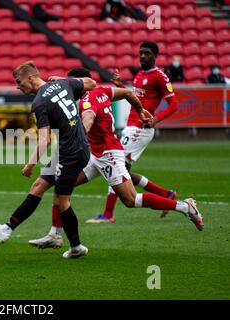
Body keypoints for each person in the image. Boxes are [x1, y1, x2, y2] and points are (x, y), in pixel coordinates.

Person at [28, 68, 203, 249]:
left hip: (108, 155)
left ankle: (184, 207)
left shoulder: (87, 100)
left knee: (130, 200)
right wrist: (140, 110)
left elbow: (88, 119)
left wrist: (78, 136)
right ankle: (55, 234)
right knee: (63, 187)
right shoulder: (102, 91)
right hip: (95, 154)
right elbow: (128, 92)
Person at [0, 61, 96, 259]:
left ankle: (76, 247)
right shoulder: (64, 84)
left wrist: (30, 163)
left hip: (73, 152)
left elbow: (44, 138)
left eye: (19, 82)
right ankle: (6, 229)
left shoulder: (40, 102)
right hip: (67, 149)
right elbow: (91, 83)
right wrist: (66, 80)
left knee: (62, 200)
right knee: (38, 187)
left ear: (31, 78)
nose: (18, 86)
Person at [87, 41, 181, 224]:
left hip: (140, 128)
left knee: (117, 167)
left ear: (155, 56)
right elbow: (138, 98)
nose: (143, 57)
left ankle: (108, 214)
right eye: (141, 53)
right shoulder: (139, 75)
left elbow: (174, 104)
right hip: (132, 126)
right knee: (124, 172)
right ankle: (166, 194)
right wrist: (120, 85)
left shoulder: (160, 76)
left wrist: (155, 120)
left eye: (146, 53)